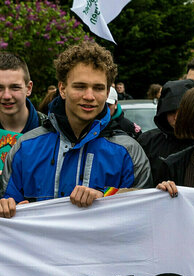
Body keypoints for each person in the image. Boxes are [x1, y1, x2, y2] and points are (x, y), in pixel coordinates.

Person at [0, 42, 152, 218]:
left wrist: (105, 197)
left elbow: (143, 213)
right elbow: (7, 211)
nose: (89, 96)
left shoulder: (129, 152)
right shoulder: (25, 147)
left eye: (98, 88)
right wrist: (9, 207)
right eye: (80, 87)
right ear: (63, 89)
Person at [137, 79, 194, 184]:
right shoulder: (147, 141)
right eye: (171, 112)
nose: (177, 117)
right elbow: (139, 182)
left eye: (182, 111)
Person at [0, 52, 47, 173]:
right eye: (0, 88)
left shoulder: (51, 130)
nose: (6, 95)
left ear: (29, 88)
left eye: (15, 87)